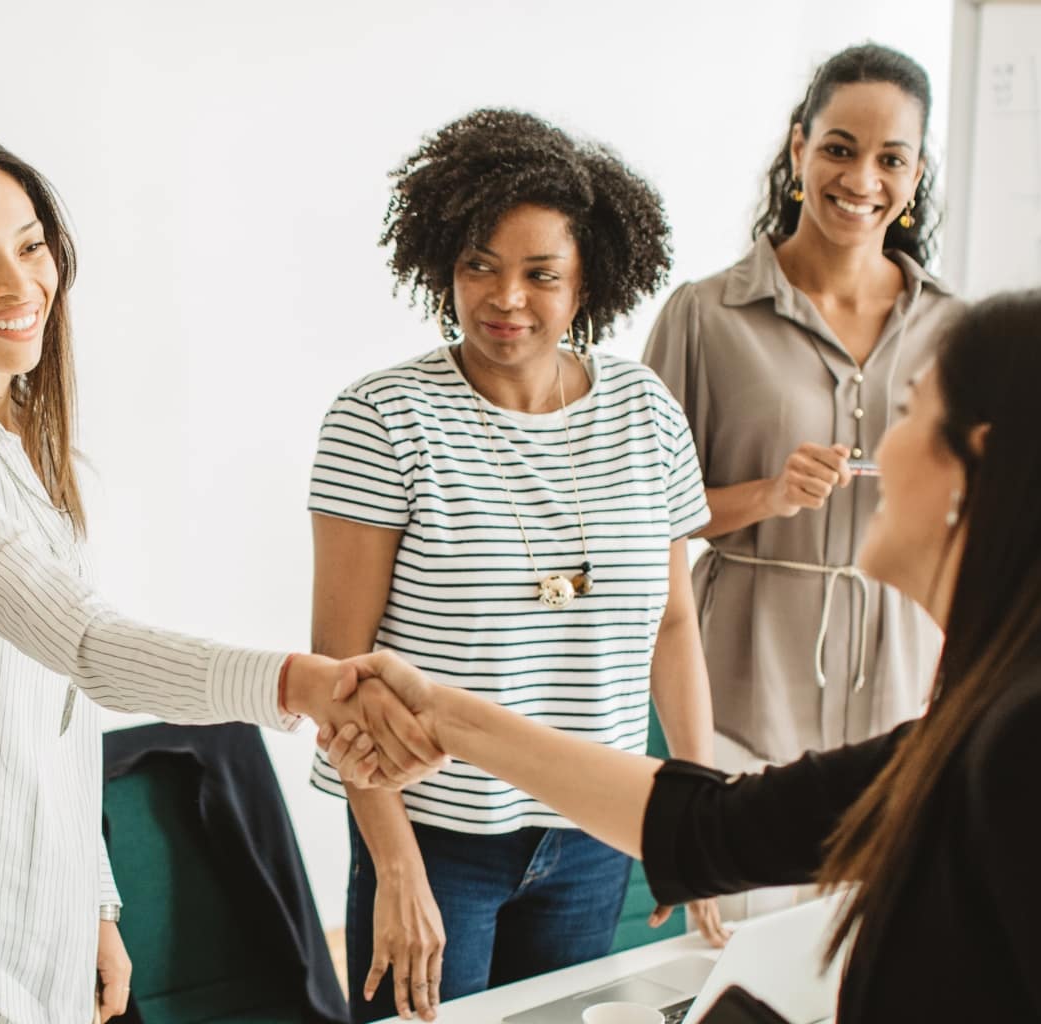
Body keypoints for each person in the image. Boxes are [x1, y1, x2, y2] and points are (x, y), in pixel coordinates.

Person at [324, 288, 1041, 1023]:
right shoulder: (1012, 711)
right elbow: (711, 828)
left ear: (974, 463)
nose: (875, 449)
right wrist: (439, 715)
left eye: (909, 411)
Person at [0, 122, 441, 1024]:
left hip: (9, 917)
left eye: (32, 246)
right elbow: (86, 643)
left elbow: (52, 711)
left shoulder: (7, 445)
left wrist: (94, 903)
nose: (19, 285)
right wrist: (305, 684)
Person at [307, 109, 720, 1023]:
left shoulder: (647, 411)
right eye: (479, 266)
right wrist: (395, 868)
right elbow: (341, 676)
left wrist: (695, 825)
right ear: (440, 266)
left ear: (590, 282)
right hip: (434, 836)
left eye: (542, 274)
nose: (506, 299)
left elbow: (676, 626)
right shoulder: (380, 421)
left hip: (594, 833)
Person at [642, 45, 962, 826]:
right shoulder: (705, 316)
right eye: (839, 150)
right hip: (744, 683)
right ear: (798, 150)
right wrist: (769, 493)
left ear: (916, 175)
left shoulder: (957, 329)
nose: (862, 181)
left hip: (907, 686)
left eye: (892, 159)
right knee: (746, 929)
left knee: (882, 929)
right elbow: (641, 520)